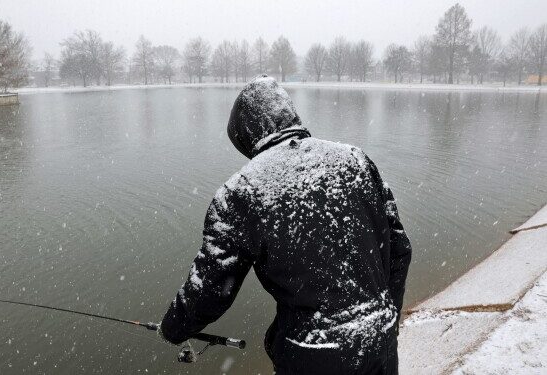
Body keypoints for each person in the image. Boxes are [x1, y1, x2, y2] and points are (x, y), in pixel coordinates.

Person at [158, 75, 412, 374]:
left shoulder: (241, 191)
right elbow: (399, 250)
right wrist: (386, 315)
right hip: (379, 339)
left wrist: (172, 328)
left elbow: (212, 287)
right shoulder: (355, 160)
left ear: (245, 136)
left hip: (313, 355)